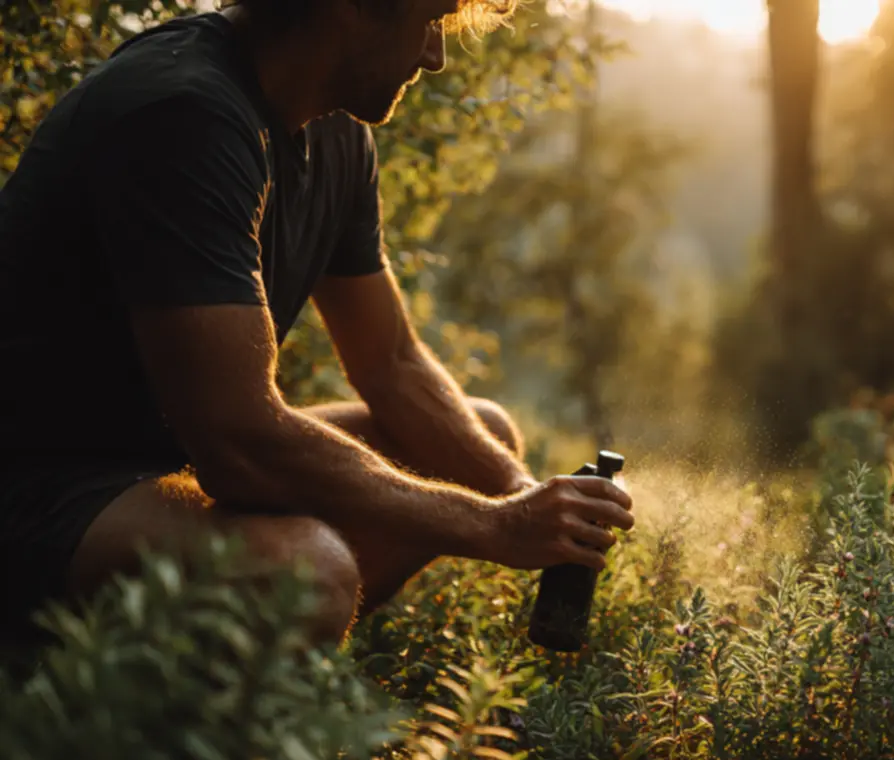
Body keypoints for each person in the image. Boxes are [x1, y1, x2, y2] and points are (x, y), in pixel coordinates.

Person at [0, 0, 635, 647]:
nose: (434, 56)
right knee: (306, 573)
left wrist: (521, 498)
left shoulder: (335, 132)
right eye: (430, 22)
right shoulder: (183, 111)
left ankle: (254, 665)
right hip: (39, 489)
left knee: (484, 439)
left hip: (161, 469)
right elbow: (240, 443)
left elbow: (391, 363)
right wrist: (494, 526)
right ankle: (124, 711)